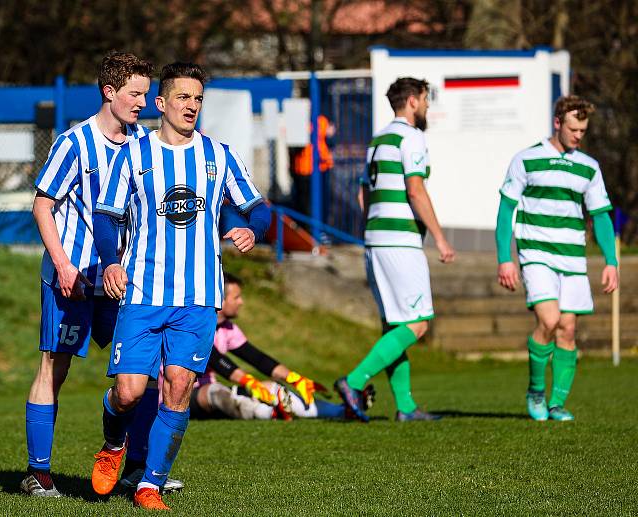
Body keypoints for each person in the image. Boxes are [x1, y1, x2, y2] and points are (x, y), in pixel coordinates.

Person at [91, 62, 271, 511]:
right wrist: (111, 263)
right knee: (129, 391)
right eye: (183, 98)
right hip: (142, 294)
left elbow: (258, 207)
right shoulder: (134, 155)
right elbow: (106, 215)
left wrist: (253, 230)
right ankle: (114, 444)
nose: (191, 106)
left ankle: (150, 484)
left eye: (198, 99)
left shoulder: (219, 155)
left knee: (178, 387)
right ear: (161, 103)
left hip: (198, 298)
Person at [21, 51, 155, 497]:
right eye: (135, 94)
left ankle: (136, 466)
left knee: (142, 371)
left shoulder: (145, 145)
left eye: (146, 94)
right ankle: (38, 472)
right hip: (72, 279)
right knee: (52, 369)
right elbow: (43, 206)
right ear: (109, 91)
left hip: (123, 283)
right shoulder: (73, 143)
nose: (143, 102)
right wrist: (62, 264)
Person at [335, 77, 455, 422]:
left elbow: (363, 195)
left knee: (394, 326)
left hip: (375, 240)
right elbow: (415, 190)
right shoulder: (411, 137)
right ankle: (354, 380)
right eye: (426, 99)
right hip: (400, 242)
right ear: (414, 101)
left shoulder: (377, 140)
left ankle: (405, 407)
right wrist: (441, 238)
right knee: (417, 324)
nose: (428, 106)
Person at [495, 95, 618, 422]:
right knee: (548, 322)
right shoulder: (526, 159)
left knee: (567, 330)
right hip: (536, 254)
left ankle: (557, 403)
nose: (578, 135)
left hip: (573, 258)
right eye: (573, 128)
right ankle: (536, 390)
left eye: (583, 130)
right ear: (557, 123)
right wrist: (504, 258)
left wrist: (611, 262)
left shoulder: (589, 167)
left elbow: (601, 216)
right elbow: (506, 210)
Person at [189, 272, 358, 421]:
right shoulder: (193, 326)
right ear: (220, 299)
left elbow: (258, 359)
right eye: (237, 297)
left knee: (272, 388)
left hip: (215, 397)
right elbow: (218, 360)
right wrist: (250, 382)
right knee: (215, 391)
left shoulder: (228, 328)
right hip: (187, 396)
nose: (241, 302)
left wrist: (294, 378)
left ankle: (343, 411)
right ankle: (270, 413)